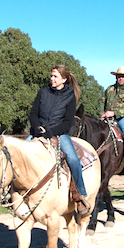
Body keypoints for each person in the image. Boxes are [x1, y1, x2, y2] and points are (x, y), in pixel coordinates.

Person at [30, 65, 89, 214]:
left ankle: (80, 195)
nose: (52, 78)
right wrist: (37, 128)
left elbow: (67, 122)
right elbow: (33, 113)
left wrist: (51, 132)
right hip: (39, 131)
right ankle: (13, 192)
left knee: (74, 160)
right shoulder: (43, 92)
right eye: (51, 76)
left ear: (63, 79)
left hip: (59, 133)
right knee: (19, 153)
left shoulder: (70, 97)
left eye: (55, 76)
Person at [100, 66, 124, 165]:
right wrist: (102, 114)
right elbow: (102, 101)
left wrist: (114, 113)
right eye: (118, 76)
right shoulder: (110, 89)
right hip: (108, 116)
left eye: (123, 76)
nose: (120, 78)